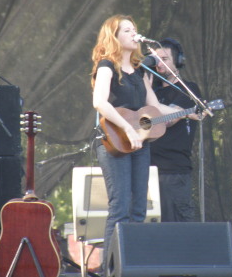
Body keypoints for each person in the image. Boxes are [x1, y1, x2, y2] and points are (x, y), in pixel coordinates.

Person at [91, 15, 180, 272]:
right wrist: (128, 128)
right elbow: (100, 102)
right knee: (119, 208)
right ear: (114, 36)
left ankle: (133, 267)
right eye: (127, 30)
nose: (134, 34)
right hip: (114, 141)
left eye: (134, 30)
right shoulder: (107, 65)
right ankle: (111, 270)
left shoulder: (142, 71)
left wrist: (186, 110)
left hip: (140, 143)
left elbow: (154, 107)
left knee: (139, 208)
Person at [149, 38, 202, 222]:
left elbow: (167, 121)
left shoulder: (188, 89)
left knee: (177, 228)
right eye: (155, 59)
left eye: (164, 58)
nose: (159, 64)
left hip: (173, 171)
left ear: (178, 61)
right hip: (146, 171)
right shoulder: (149, 91)